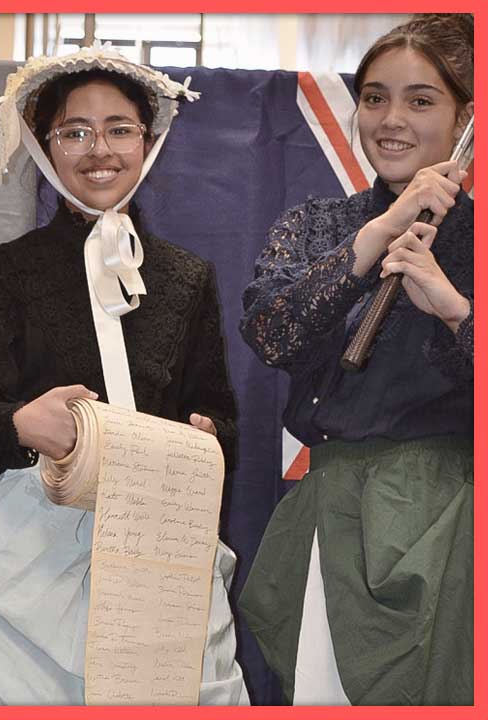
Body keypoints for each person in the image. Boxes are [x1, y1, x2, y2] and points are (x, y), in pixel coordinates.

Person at [0, 44, 249, 705]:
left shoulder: (186, 277)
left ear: (148, 141)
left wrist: (203, 438)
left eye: (119, 129)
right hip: (27, 555)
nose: (100, 150)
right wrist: (22, 424)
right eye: (75, 131)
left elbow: (225, 427)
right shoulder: (7, 270)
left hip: (157, 544)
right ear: (45, 145)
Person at [238, 14, 473, 706]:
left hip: (445, 521)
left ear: (466, 116)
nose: (391, 119)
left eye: (421, 100)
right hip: (328, 512)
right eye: (374, 97)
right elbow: (271, 335)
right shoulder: (318, 226)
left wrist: (457, 309)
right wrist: (375, 236)